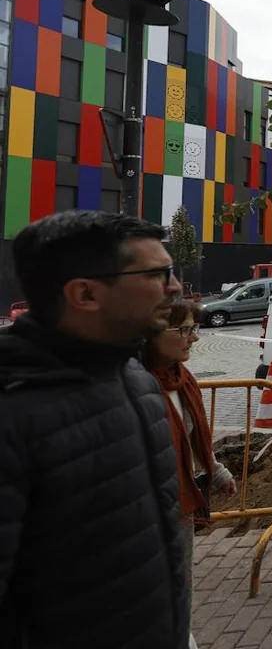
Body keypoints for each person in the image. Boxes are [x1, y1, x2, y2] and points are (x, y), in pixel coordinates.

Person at [0, 210, 189, 648]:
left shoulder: (135, 378)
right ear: (85, 293)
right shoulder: (13, 410)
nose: (175, 287)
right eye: (157, 274)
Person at [142, 299, 237, 649]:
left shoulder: (182, 380)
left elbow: (194, 440)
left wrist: (218, 473)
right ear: (150, 334)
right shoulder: (132, 387)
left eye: (194, 329)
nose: (193, 338)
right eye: (184, 329)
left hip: (178, 506)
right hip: (144, 513)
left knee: (178, 586)